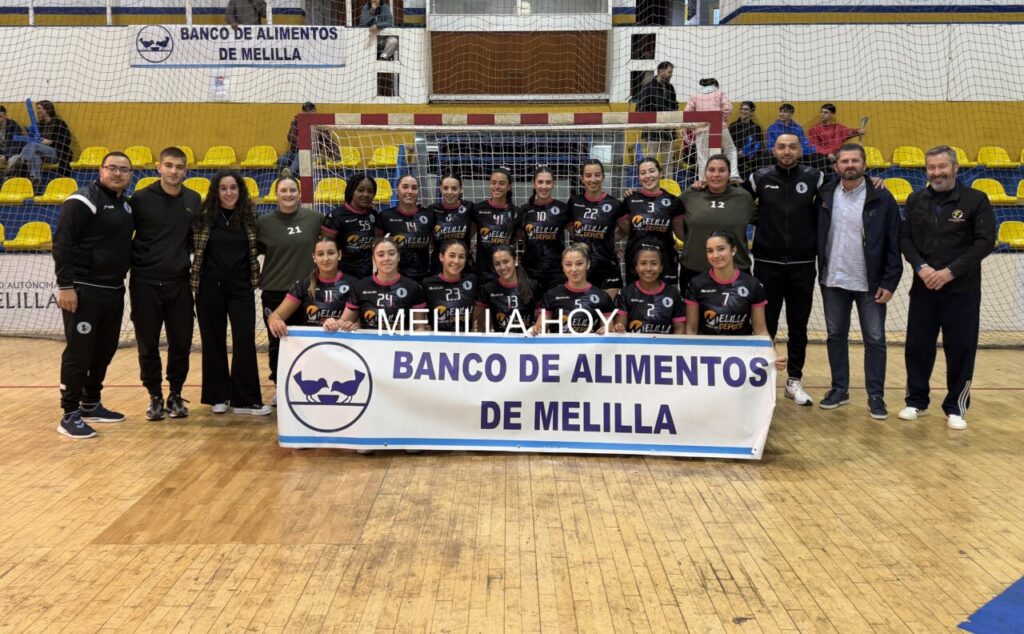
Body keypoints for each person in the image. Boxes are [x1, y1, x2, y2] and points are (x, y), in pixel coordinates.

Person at [899, 145, 995, 430]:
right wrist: (923, 269)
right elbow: (906, 240)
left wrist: (950, 272)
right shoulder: (915, 200)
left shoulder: (976, 200)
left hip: (962, 291)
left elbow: (984, 241)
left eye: (942, 167)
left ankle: (956, 406)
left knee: (961, 349)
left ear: (955, 167)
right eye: (931, 168)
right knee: (917, 347)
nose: (937, 173)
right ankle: (916, 400)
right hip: (924, 288)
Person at [816, 144, 902, 419]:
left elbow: (893, 242)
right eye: (844, 161)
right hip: (833, 279)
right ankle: (839, 389)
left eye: (855, 160)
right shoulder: (825, 193)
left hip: (871, 283)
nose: (850, 165)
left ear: (865, 164)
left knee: (875, 339)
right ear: (836, 166)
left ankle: (875, 395)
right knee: (835, 336)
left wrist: (890, 281)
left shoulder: (882, 197)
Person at [52, 151, 134, 438]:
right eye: (112, 168)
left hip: (113, 290)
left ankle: (90, 403)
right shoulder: (83, 200)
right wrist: (66, 285)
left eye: (124, 170)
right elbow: (62, 242)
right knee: (79, 352)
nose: (118, 173)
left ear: (130, 175)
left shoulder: (125, 206)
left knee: (104, 350)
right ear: (101, 170)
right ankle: (69, 413)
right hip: (83, 290)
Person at [746, 132, 823, 406]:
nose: (787, 151)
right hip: (767, 265)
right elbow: (733, 197)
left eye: (792, 147)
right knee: (766, 325)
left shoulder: (816, 178)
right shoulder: (759, 178)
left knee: (798, 326)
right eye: (781, 147)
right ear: (774, 150)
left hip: (803, 265)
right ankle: (763, 381)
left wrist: (874, 181)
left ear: (800, 150)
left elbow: (846, 188)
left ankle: (794, 381)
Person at [129, 146, 200, 422]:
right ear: (158, 167)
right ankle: (155, 396)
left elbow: (197, 239)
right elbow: (122, 234)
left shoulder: (193, 199)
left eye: (179, 167)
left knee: (181, 342)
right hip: (144, 283)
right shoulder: (140, 199)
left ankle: (176, 394)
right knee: (147, 344)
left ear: (186, 170)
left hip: (179, 283)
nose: (173, 171)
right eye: (168, 165)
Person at [191, 170, 270, 416]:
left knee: (244, 339)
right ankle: (218, 396)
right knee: (213, 340)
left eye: (233, 188)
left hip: (241, 287)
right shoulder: (203, 218)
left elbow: (264, 246)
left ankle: (245, 400)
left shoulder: (250, 218)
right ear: (216, 192)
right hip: (208, 287)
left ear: (240, 191)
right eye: (223, 188)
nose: (228, 193)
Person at [257, 171, 322, 403]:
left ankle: (309, 385)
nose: (288, 194)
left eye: (292, 190)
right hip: (276, 291)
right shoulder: (263, 223)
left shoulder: (314, 219)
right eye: (283, 190)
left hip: (308, 293)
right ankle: (279, 385)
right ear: (276, 195)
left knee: (306, 341)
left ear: (299, 193)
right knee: (278, 342)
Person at [685, 233, 787, 372]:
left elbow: (761, 330)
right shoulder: (697, 284)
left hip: (741, 355)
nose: (715, 255)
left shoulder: (752, 284)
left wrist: (773, 354)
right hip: (707, 354)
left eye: (721, 249)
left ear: (733, 250)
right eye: (710, 251)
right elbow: (691, 330)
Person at [679, 154, 756, 291]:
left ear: (729, 173)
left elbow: (765, 221)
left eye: (721, 170)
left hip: (736, 271)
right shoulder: (690, 195)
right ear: (705, 173)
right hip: (695, 270)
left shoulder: (743, 198)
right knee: (692, 313)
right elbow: (670, 215)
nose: (716, 174)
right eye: (711, 170)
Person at [616, 157, 685, 287]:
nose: (648, 176)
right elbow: (624, 231)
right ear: (638, 176)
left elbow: (681, 233)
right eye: (643, 173)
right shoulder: (629, 200)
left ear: (660, 173)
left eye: (652, 171)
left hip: (666, 261)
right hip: (636, 260)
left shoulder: (673, 202)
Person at [332, 236, 427, 332]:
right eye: (381, 255)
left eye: (391, 254)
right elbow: (344, 321)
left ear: (398, 257)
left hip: (401, 344)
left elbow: (419, 327)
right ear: (374, 259)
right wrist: (333, 323)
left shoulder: (413, 287)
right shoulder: (360, 286)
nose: (387, 258)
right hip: (368, 344)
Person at [267, 237, 351, 336]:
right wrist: (275, 321)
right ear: (314, 258)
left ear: (339, 255)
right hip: (310, 345)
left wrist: (349, 324)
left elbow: (357, 321)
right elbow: (275, 316)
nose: (326, 258)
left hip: (342, 345)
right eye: (320, 254)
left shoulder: (353, 284)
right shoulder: (304, 285)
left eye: (331, 253)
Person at [567, 159, 623, 299]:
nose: (593, 179)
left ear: (603, 177)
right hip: (580, 268)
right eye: (588, 175)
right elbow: (569, 227)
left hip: (607, 267)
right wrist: (581, 238)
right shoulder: (574, 202)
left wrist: (608, 238)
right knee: (583, 313)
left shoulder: (615, 204)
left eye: (597, 175)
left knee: (606, 313)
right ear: (582, 178)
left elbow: (625, 230)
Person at [533, 244, 615, 335]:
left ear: (588, 264)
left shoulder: (602, 296)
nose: (574, 269)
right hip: (559, 348)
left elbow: (609, 333)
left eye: (579, 264)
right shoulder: (551, 295)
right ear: (563, 266)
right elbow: (540, 330)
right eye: (568, 264)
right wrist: (535, 330)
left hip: (590, 348)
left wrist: (608, 330)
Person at [613, 246, 686, 334]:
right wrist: (619, 329)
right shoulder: (625, 294)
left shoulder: (673, 294)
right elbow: (620, 328)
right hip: (633, 346)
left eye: (654, 263)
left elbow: (679, 329)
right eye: (643, 263)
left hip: (665, 346)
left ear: (661, 268)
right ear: (636, 267)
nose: (648, 268)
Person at [321, 172, 380, 279]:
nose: (366, 194)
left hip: (366, 277)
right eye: (360, 190)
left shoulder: (374, 215)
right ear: (351, 191)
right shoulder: (336, 216)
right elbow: (325, 250)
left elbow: (379, 244)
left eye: (370, 191)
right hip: (341, 278)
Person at [519, 166, 569, 291]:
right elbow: (515, 237)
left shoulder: (563, 208)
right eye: (540, 182)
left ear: (553, 184)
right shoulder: (524, 210)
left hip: (556, 272)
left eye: (548, 182)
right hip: (530, 272)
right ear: (533, 184)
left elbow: (578, 235)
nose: (544, 186)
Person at [377, 174, 435, 283]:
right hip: (396, 277)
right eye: (405, 187)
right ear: (397, 190)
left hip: (423, 275)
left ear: (418, 191)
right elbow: (377, 245)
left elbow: (433, 243)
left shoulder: (429, 215)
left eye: (414, 188)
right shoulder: (385, 216)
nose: (410, 191)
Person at [5, 100, 72, 187]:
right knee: (33, 156)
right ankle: (35, 181)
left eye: (39, 108)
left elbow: (67, 140)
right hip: (41, 154)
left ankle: (19, 164)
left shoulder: (59, 124)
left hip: (56, 153)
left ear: (47, 109)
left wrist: (50, 142)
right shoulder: (38, 125)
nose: (37, 111)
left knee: (33, 145)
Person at [474, 245, 539, 334]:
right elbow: (481, 323)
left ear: (515, 261)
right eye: (497, 264)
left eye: (506, 261)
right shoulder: (488, 289)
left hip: (527, 342)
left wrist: (536, 328)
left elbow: (541, 316)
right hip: (501, 344)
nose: (502, 267)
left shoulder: (533, 285)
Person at [472, 167, 520, 286]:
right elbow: (468, 235)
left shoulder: (517, 213)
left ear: (509, 187)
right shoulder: (478, 209)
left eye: (501, 183)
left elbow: (518, 238)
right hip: (483, 273)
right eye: (493, 183)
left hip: (506, 272)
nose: (497, 186)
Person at [685, 78, 740, 181]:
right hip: (719, 127)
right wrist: (721, 117)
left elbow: (687, 113)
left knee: (703, 157)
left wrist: (696, 125)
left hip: (701, 130)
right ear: (715, 85)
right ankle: (733, 174)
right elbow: (728, 108)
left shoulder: (694, 95)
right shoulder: (719, 93)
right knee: (730, 149)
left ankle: (703, 180)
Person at [422, 240, 478, 332]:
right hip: (437, 340)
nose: (456, 261)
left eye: (461, 257)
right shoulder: (427, 283)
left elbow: (482, 305)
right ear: (441, 256)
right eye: (451, 256)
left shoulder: (472, 280)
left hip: (466, 340)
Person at [634, 61, 678, 168]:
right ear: (661, 71)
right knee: (651, 160)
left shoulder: (670, 88)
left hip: (667, 130)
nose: (671, 74)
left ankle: (668, 184)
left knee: (668, 161)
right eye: (669, 72)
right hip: (652, 130)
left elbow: (674, 106)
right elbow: (640, 108)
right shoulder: (648, 87)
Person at [428, 171, 474, 274]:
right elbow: (430, 238)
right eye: (445, 188)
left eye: (454, 188)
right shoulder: (432, 210)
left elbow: (474, 228)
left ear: (461, 190)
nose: (449, 192)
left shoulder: (469, 207)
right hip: (438, 266)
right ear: (440, 188)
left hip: (462, 265)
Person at [808, 104, 864, 169]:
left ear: (832, 114)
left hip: (837, 154)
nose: (822, 114)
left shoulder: (838, 127)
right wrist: (827, 153)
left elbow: (849, 132)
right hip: (822, 155)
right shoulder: (814, 129)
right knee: (821, 160)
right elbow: (814, 146)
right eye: (821, 112)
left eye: (826, 112)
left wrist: (858, 131)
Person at [276, 102, 316, 175]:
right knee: (281, 160)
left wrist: (335, 154)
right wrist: (301, 144)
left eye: (309, 111)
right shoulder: (296, 121)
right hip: (293, 152)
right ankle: (281, 179)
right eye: (305, 110)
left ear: (313, 112)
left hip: (307, 153)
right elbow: (290, 136)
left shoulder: (317, 124)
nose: (306, 112)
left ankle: (289, 174)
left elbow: (327, 138)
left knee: (297, 160)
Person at [728, 101, 765, 179]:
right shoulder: (733, 126)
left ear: (751, 112)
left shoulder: (756, 127)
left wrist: (746, 152)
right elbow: (729, 144)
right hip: (736, 156)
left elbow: (758, 144)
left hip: (751, 157)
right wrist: (737, 152)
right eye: (741, 109)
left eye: (746, 109)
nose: (743, 111)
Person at [0, 105, 25, 171]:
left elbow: (16, 146)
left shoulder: (14, 127)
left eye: (0, 116)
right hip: (2, 154)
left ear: (5, 116)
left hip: (14, 154)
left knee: (13, 159)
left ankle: (7, 179)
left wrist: (6, 156)